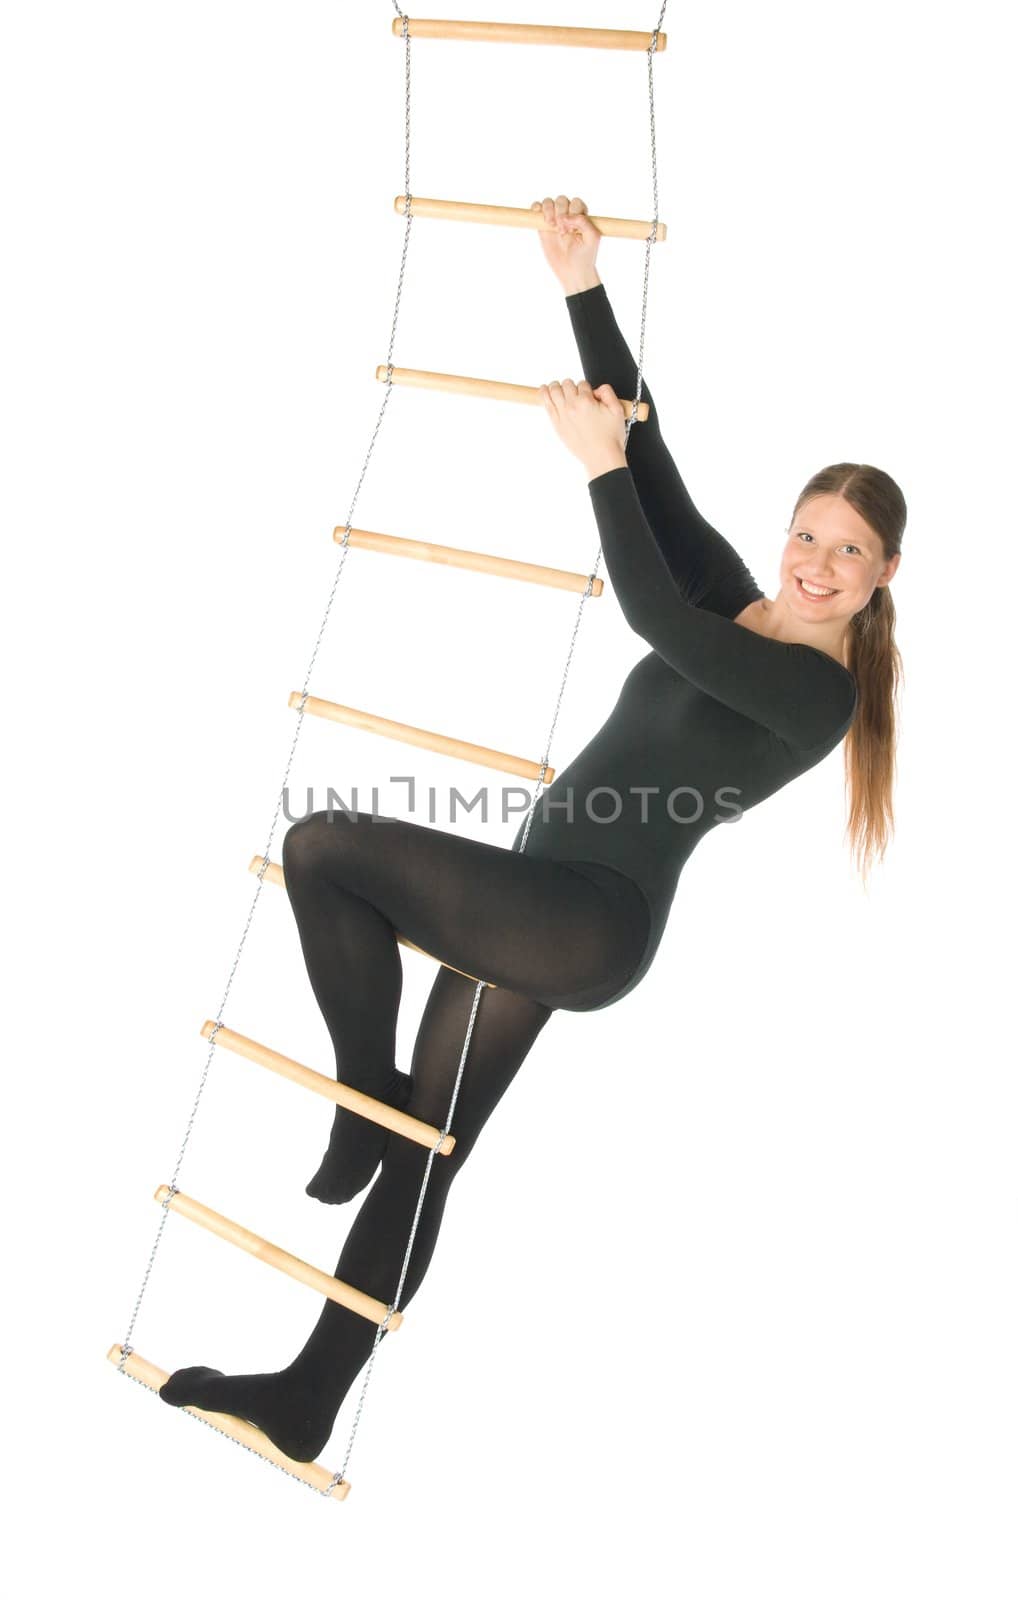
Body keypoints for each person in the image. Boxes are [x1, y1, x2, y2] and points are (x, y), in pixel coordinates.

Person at [159, 195, 905, 1462]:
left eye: (849, 551)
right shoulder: (741, 606)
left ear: (883, 575)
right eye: (806, 532)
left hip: (586, 924)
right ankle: (307, 1396)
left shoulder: (817, 693)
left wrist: (595, 474)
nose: (816, 562)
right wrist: (579, 284)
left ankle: (359, 1095)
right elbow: (650, 458)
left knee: (327, 847)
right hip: (535, 892)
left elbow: (650, 618)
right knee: (428, 1153)